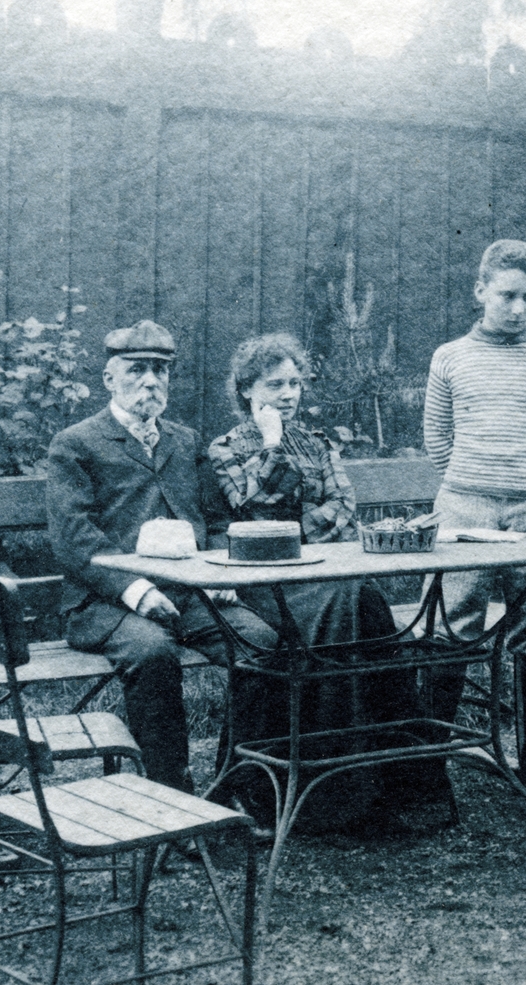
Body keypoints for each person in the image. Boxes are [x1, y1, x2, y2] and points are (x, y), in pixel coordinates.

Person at [207, 332, 434, 829]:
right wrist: (271, 444)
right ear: (247, 390)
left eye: (294, 383)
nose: (288, 394)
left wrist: (290, 532)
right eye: (275, 385)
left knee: (360, 600)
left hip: (325, 571)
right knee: (350, 602)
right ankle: (332, 793)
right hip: (263, 582)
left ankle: (382, 783)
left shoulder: (317, 443)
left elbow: (345, 508)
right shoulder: (225, 449)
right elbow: (252, 506)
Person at [43, 320, 277, 793]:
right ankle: (171, 791)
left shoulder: (184, 441)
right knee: (152, 652)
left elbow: (215, 521)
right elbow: (73, 538)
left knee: (261, 643)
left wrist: (218, 574)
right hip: (105, 602)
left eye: (160, 370)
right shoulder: (76, 443)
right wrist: (137, 590)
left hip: (189, 594)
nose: (150, 381)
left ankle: (234, 782)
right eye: (137, 370)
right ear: (109, 379)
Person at [422, 238, 526, 807]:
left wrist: (522, 482)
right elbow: (437, 440)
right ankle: (431, 765)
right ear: (481, 291)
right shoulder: (450, 356)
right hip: (464, 505)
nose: (517, 308)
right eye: (507, 295)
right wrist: (475, 485)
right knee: (451, 623)